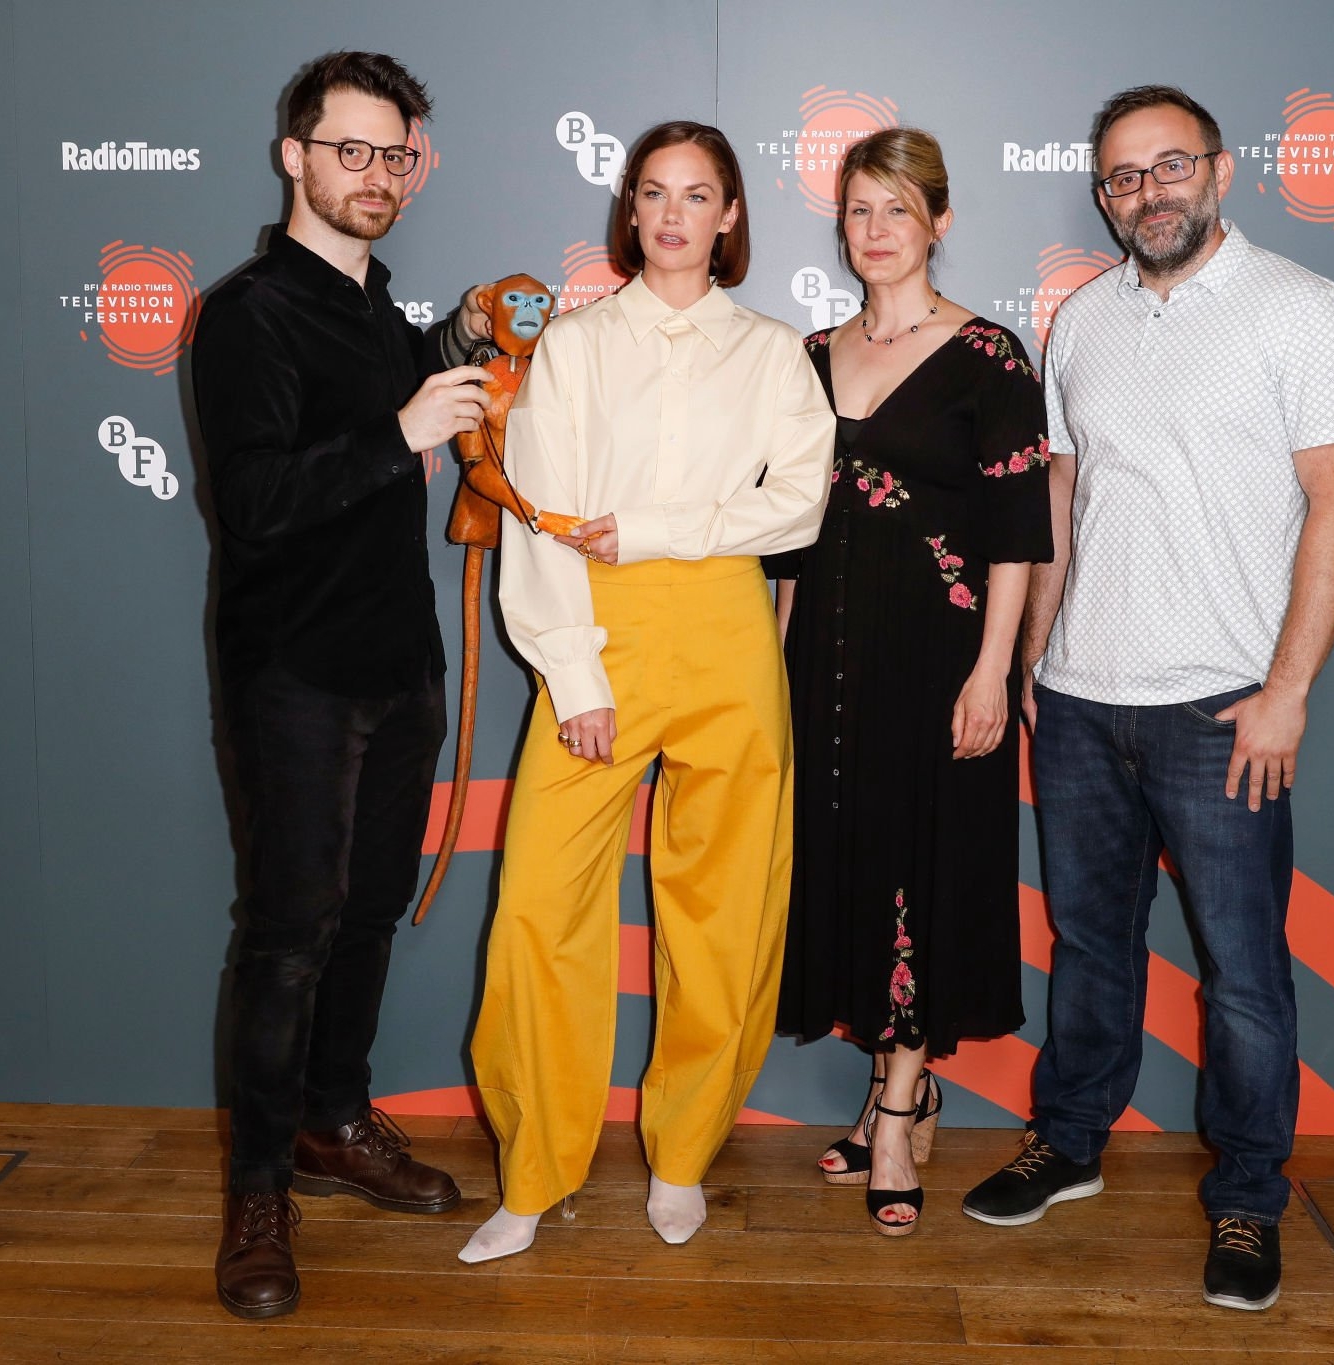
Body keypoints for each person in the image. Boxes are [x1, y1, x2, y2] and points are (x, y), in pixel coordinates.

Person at [959, 85, 1334, 1313]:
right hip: (1079, 701)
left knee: (1240, 970)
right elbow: (1062, 499)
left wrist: (1286, 691)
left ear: (1220, 170)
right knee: (1089, 945)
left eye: (1167, 166)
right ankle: (1069, 1140)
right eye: (1122, 177)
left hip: (1220, 709)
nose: (1146, 193)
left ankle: (1247, 1196)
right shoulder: (1080, 318)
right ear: (1102, 196)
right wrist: (1036, 656)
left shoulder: (1296, 307)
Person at [459, 120, 836, 1264]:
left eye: (697, 195)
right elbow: (540, 515)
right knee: (538, 910)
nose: (673, 215)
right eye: (654, 193)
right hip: (596, 630)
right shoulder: (573, 346)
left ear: (730, 216)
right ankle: (532, 1172)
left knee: (724, 912)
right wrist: (573, 672)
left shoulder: (770, 351)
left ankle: (682, 1159)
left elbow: (799, 504)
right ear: (629, 210)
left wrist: (660, 529)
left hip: (725, 632)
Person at [191, 50, 503, 1320]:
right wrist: (403, 431)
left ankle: (332, 1121)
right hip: (295, 681)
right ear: (295, 157)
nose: (377, 175)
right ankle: (257, 1194)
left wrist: (452, 340)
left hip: (398, 670)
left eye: (395, 155)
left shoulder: (374, 310)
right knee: (286, 936)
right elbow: (256, 501)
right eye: (351, 151)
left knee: (367, 917)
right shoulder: (247, 313)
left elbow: (377, 388)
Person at [769, 127, 1052, 1237]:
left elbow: (1017, 535)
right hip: (826, 665)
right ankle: (899, 1088)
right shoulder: (807, 355)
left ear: (938, 221)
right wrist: (776, 668)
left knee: (922, 874)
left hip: (941, 665)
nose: (876, 230)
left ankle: (895, 1113)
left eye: (897, 208)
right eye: (858, 209)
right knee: (848, 871)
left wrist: (993, 673)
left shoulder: (989, 357)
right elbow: (791, 542)